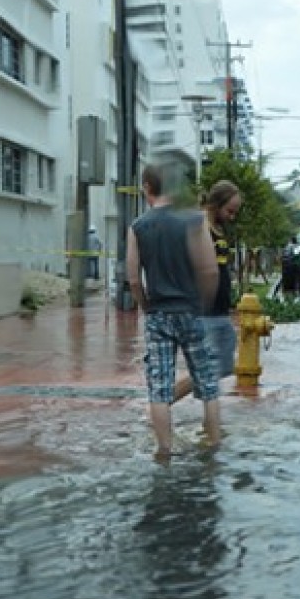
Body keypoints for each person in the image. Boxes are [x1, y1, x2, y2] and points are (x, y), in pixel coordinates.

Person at [126, 165, 221, 463]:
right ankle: (213, 446)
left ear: (147, 187)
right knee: (207, 382)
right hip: (192, 310)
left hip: (159, 313)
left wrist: (146, 307)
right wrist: (202, 305)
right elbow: (209, 270)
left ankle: (164, 451)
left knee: (160, 386)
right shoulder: (194, 221)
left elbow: (132, 279)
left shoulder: (138, 226)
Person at [173, 180, 243, 402]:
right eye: (230, 211)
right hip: (203, 311)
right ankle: (163, 403)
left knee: (224, 366)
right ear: (215, 204)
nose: (232, 217)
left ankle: (204, 415)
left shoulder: (218, 228)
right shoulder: (198, 225)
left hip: (220, 310)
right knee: (207, 367)